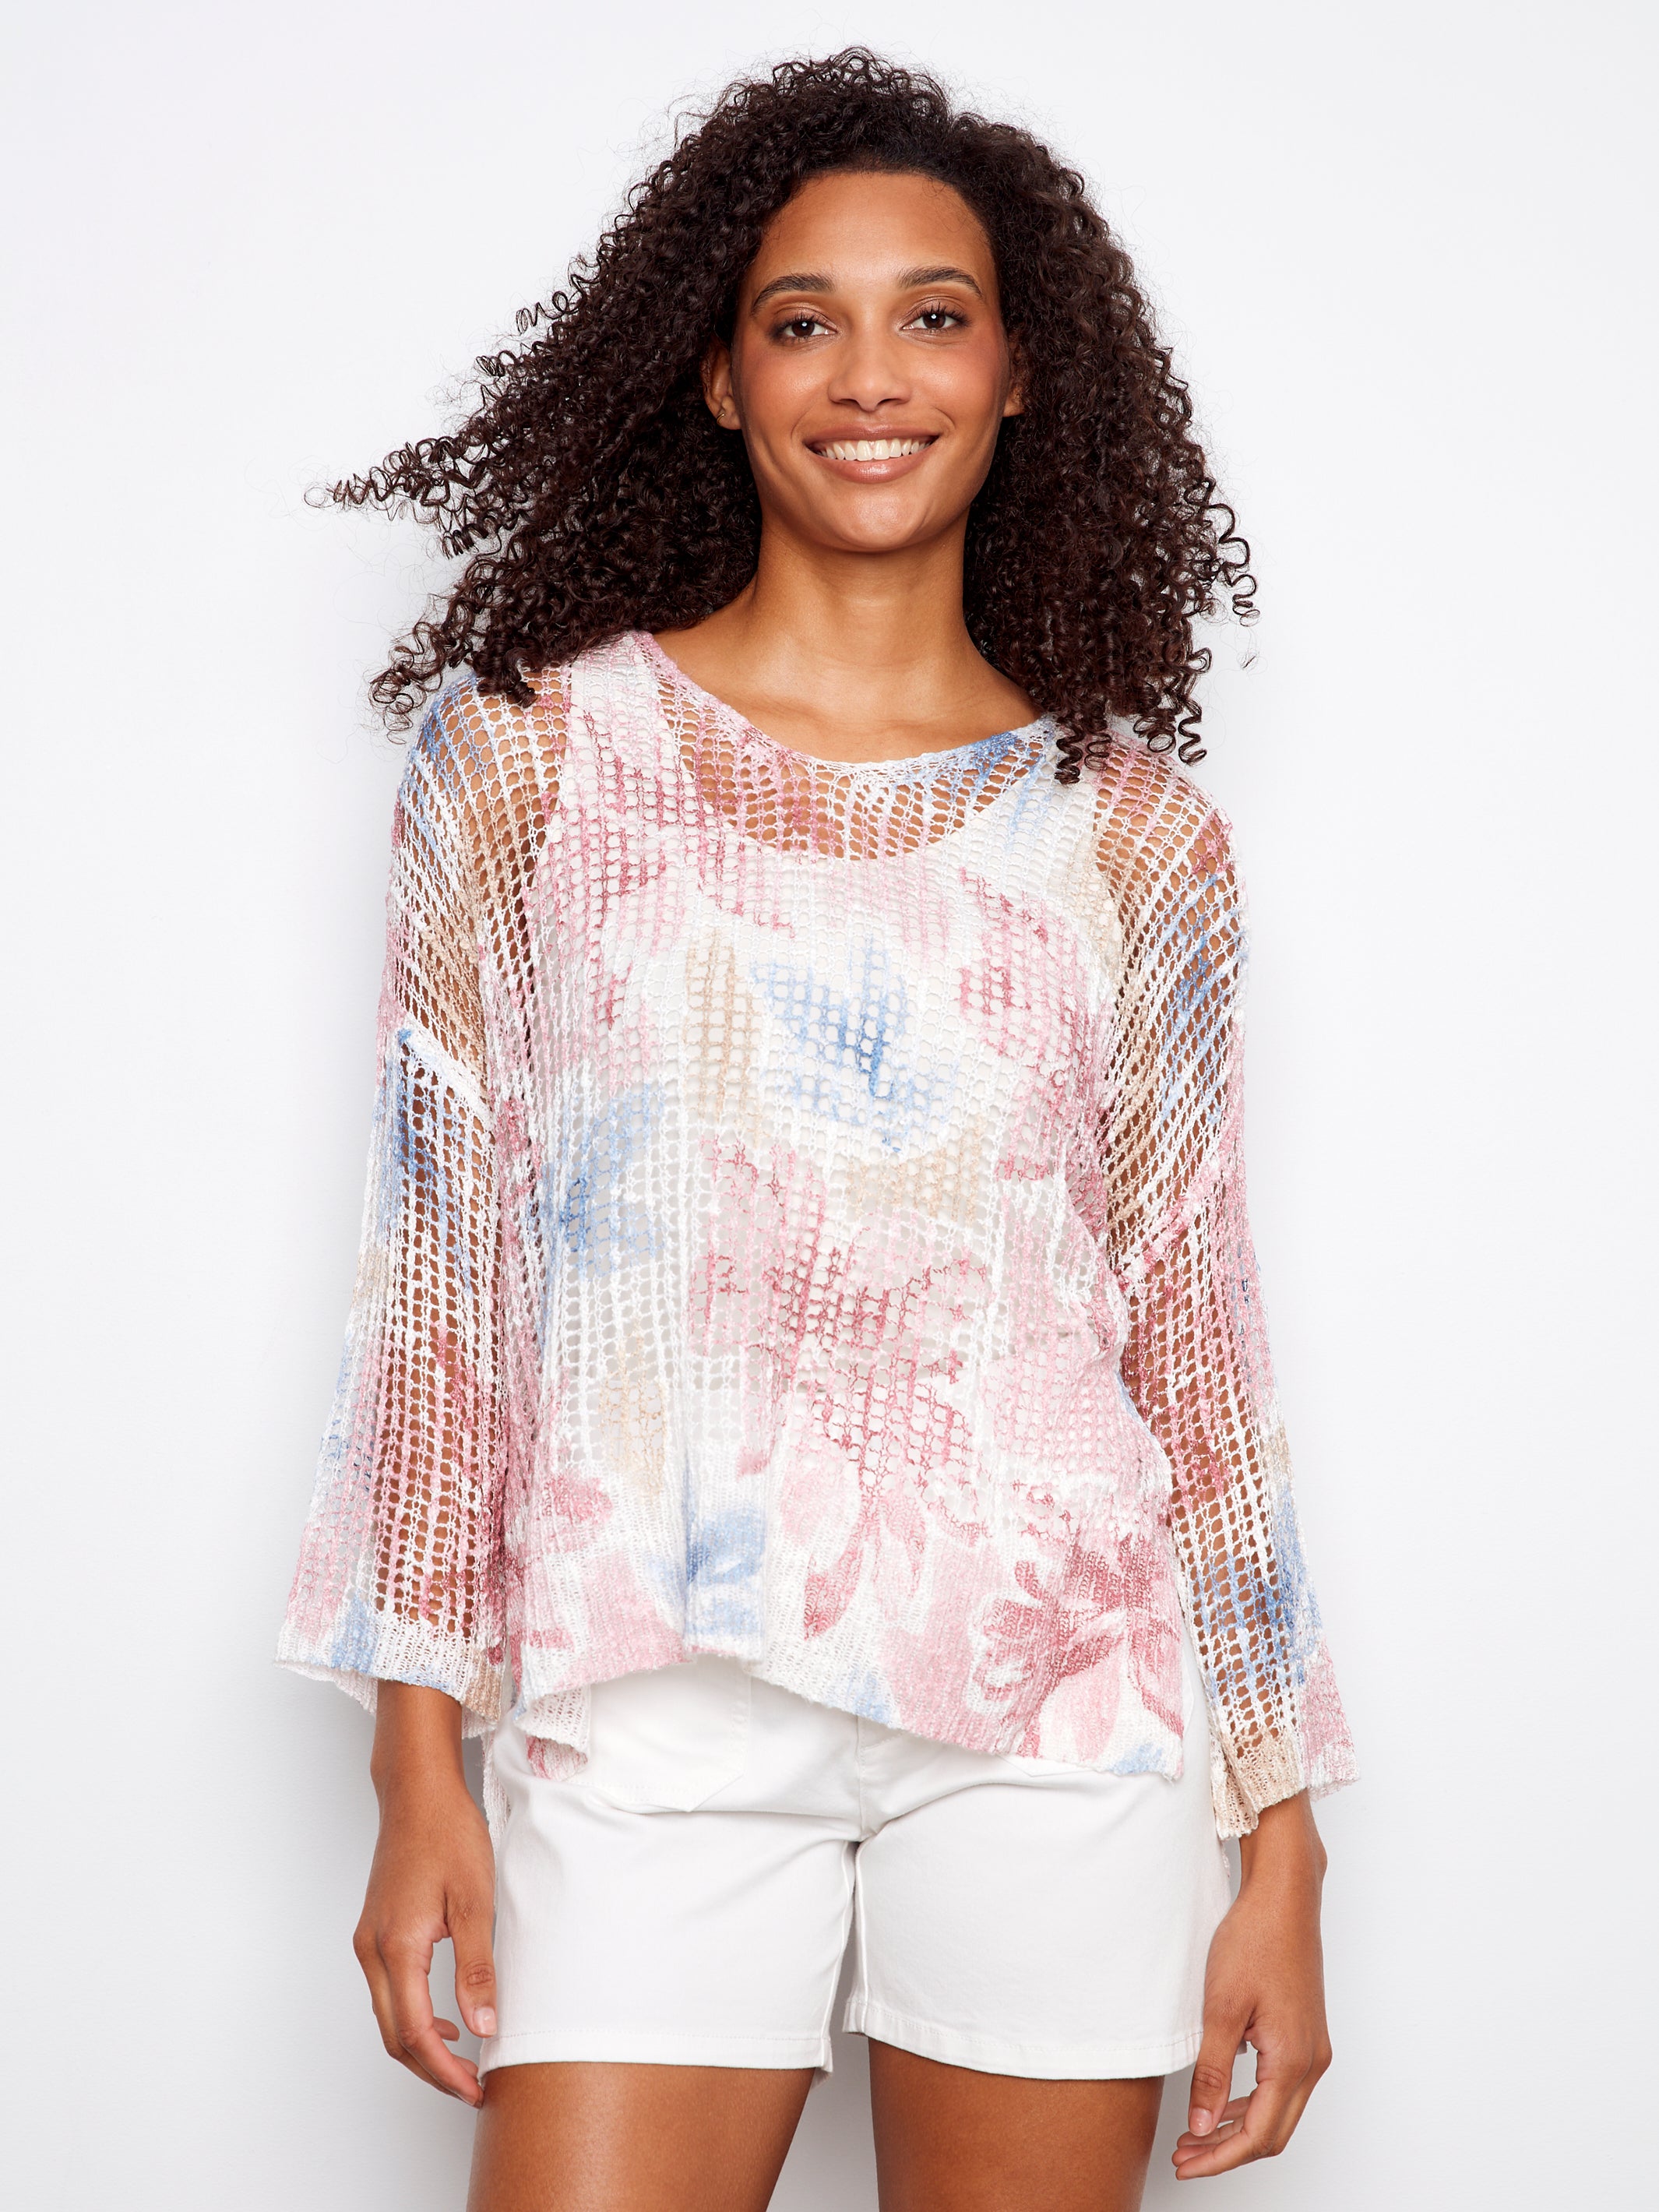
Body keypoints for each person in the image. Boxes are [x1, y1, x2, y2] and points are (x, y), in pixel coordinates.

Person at [278, 49, 1357, 2212]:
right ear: (719, 375)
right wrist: (416, 1765)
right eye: (804, 321)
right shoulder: (531, 764)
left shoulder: (1132, 833)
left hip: (1059, 1719)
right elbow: (439, 1289)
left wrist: (1282, 1837)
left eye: (933, 315)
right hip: (648, 1706)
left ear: (1020, 373)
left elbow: (1195, 1333)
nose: (871, 376)